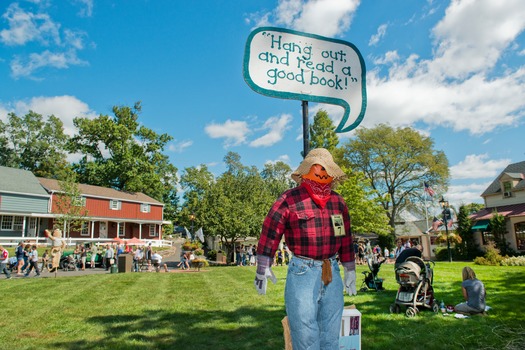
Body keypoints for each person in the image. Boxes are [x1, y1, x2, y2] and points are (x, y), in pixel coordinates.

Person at [254, 148, 356, 350]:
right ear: (307, 170)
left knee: (331, 332)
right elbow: (271, 229)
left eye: (325, 168)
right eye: (317, 167)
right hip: (302, 271)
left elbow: (345, 237)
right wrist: (263, 266)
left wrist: (350, 268)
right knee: (304, 333)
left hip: (332, 271)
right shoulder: (289, 199)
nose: (321, 171)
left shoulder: (338, 202)